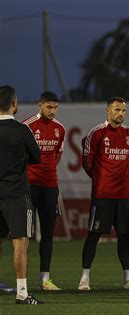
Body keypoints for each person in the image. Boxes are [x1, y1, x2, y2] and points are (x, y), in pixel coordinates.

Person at [78, 97, 129, 291]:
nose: (121, 114)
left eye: (123, 111)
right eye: (117, 110)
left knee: (125, 236)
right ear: (108, 111)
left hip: (124, 194)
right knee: (93, 235)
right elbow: (87, 162)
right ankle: (84, 279)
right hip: (103, 194)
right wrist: (100, 179)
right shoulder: (97, 133)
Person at [0, 85, 43, 304]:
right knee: (21, 242)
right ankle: (22, 293)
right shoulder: (21, 130)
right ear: (14, 104)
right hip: (17, 193)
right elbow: (36, 157)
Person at [22, 91, 66, 290]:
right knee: (24, 235)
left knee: (48, 234)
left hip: (50, 187)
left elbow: (57, 156)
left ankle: (44, 280)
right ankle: (21, 281)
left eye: (55, 107)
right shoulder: (27, 126)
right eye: (49, 107)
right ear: (40, 105)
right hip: (30, 186)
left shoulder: (60, 129)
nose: (53, 111)